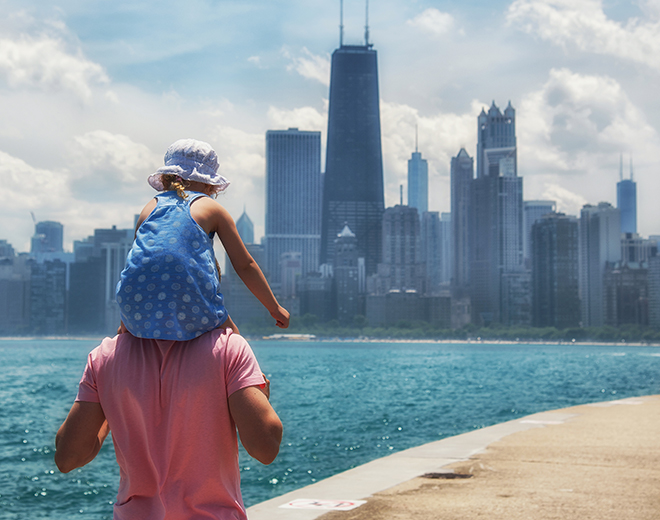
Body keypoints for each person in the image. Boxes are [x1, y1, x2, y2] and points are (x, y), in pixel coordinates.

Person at [55, 328, 282, 519]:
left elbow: (68, 457)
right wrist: (259, 398)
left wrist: (110, 405)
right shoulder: (228, 348)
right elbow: (265, 448)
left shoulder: (104, 356)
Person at [116, 138, 289, 340]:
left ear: (166, 177)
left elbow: (138, 263)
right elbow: (245, 265)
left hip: (134, 307)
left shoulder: (150, 207)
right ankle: (254, 373)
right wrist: (275, 308)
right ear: (209, 183)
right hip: (192, 304)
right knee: (233, 340)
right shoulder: (212, 207)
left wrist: (125, 323)